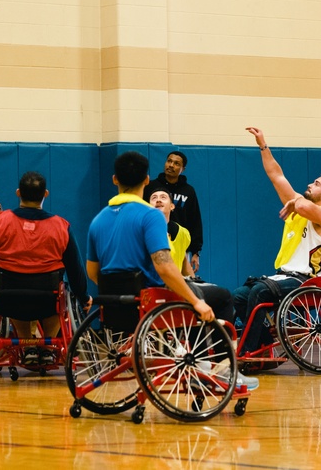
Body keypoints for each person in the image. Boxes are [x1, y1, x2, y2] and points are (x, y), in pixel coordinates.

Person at [88, 151, 258, 391]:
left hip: (115, 305)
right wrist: (195, 302)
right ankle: (222, 369)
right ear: (146, 180)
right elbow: (165, 267)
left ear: (115, 179)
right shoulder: (151, 217)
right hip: (152, 301)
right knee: (222, 297)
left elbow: (93, 272)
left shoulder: (98, 220)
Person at [233, 127, 321, 356]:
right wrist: (263, 144)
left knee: (260, 292)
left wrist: (296, 202)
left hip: (307, 282)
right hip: (285, 277)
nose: (310, 184)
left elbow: (302, 204)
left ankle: (246, 352)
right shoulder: (298, 207)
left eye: (317, 183)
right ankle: (261, 345)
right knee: (239, 295)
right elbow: (276, 175)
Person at [0, 172, 89, 366]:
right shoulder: (61, 226)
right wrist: (83, 296)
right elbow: (75, 269)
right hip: (48, 300)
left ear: (18, 193)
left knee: (11, 290)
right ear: (46, 194)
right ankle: (47, 348)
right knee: (59, 291)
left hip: (10, 298)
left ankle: (26, 347)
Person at [149, 188, 235, 323]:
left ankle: (200, 340)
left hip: (180, 284)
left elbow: (184, 262)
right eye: (154, 198)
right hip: (163, 287)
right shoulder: (149, 230)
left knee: (212, 293)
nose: (158, 199)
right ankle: (222, 343)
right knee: (224, 296)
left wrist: (194, 282)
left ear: (172, 206)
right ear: (149, 207)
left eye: (163, 197)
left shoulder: (183, 233)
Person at [143, 150, 204, 272]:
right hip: (155, 241)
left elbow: (195, 220)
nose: (171, 165)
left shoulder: (188, 191)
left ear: (183, 169)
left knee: (183, 280)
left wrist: (196, 252)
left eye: (176, 163)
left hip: (180, 244)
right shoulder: (151, 187)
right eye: (169, 161)